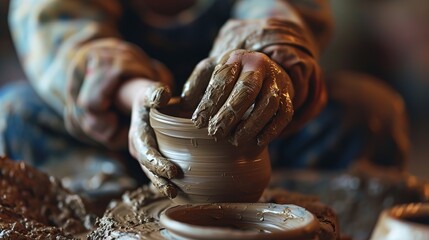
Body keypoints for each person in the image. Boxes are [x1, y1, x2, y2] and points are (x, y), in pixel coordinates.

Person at [1, 0, 409, 198]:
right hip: (122, 136)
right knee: (14, 114)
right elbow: (64, 35)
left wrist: (266, 57)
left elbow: (279, 10)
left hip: (256, 133)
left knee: (370, 110)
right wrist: (139, 97)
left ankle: (280, 208)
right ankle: (116, 207)